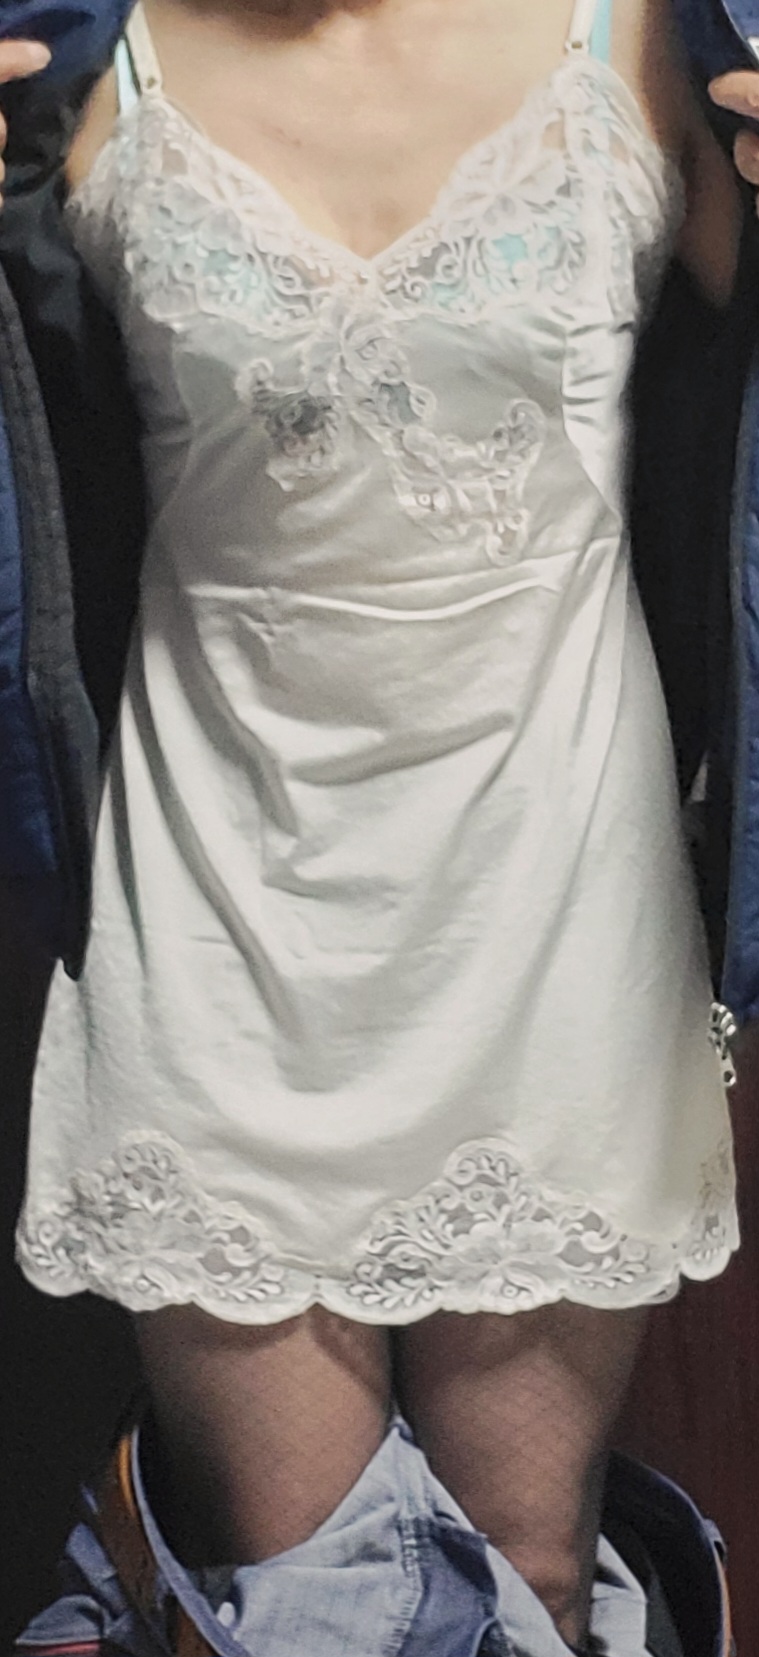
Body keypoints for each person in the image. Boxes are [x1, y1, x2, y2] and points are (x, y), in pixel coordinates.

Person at [2, 2, 756, 1655]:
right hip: (215, 896)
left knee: (532, 1576)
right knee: (304, 1607)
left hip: (555, 892)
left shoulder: (652, 37)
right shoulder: (77, 58)